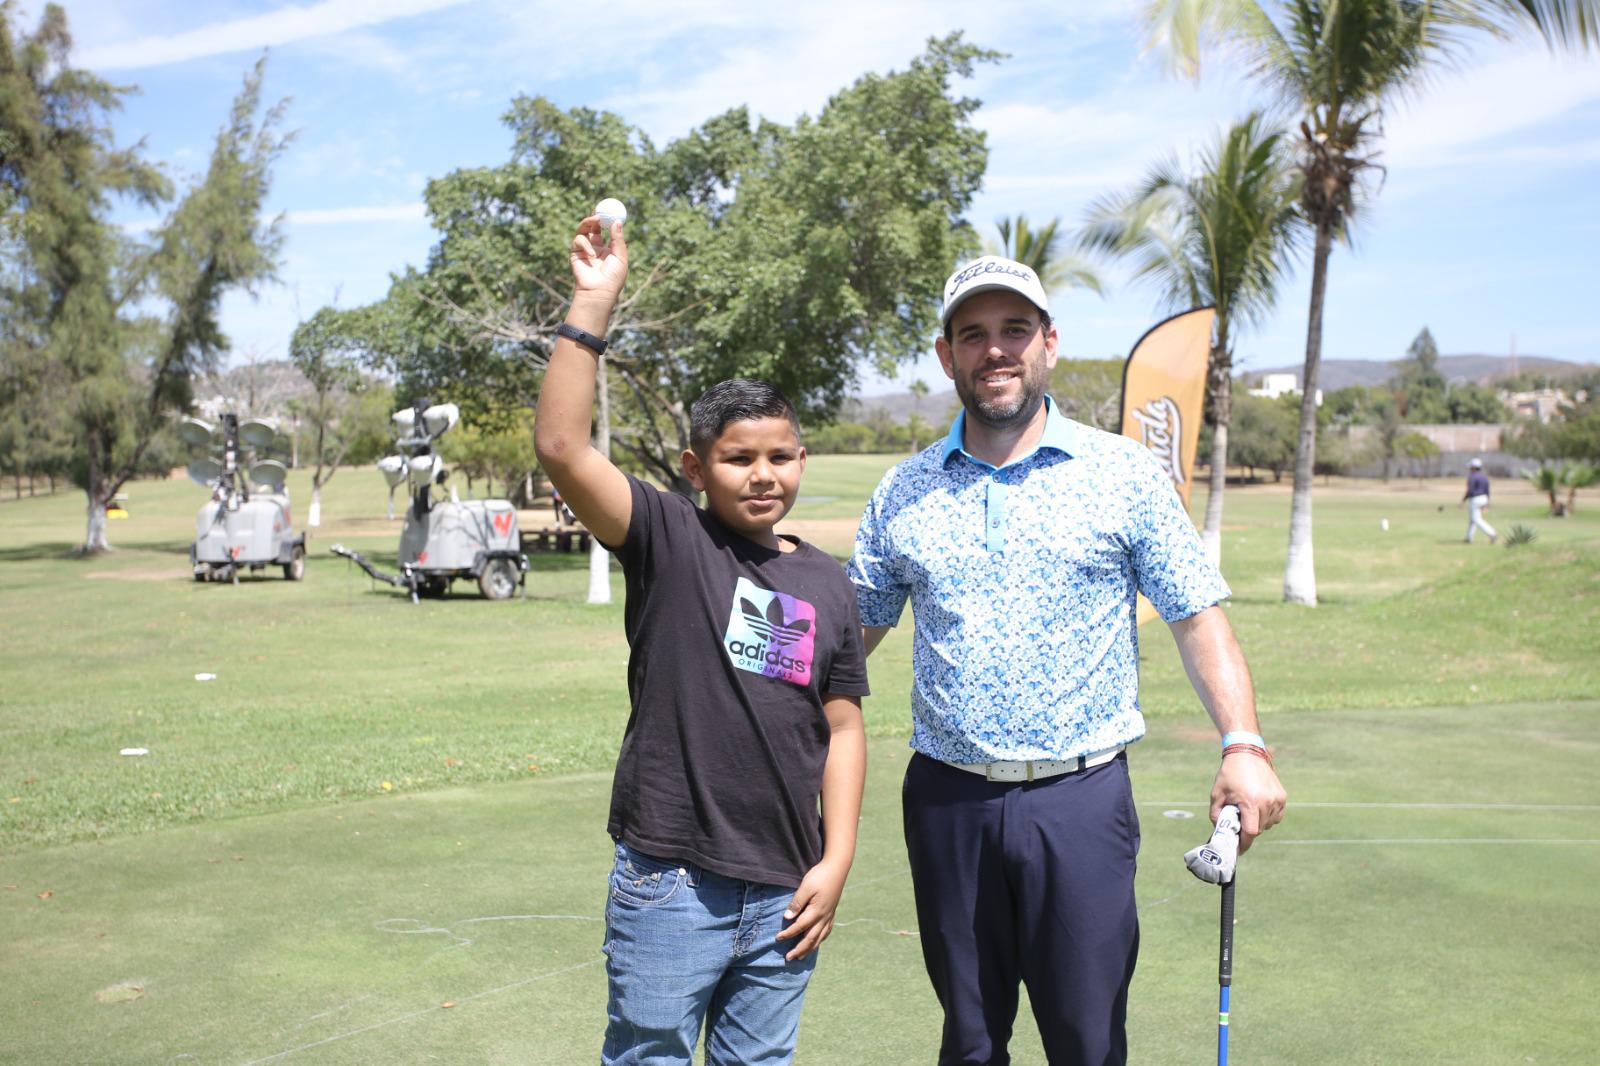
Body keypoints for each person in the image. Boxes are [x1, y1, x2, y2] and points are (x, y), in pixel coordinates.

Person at [847, 255, 1287, 1066]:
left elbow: (1198, 618)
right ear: (947, 356)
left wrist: (1243, 743)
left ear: (1050, 343)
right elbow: (847, 646)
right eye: (973, 334)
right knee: (971, 1044)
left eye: (1015, 329)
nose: (996, 350)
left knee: (1087, 1045)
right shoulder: (904, 490)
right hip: (948, 803)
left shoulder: (1122, 473)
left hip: (1081, 800)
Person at [534, 212, 869, 1066]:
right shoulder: (671, 541)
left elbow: (841, 728)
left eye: (782, 456)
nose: (764, 475)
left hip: (789, 887)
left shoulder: (827, 580)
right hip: (672, 883)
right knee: (648, 1055)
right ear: (694, 469)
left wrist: (836, 862)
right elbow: (564, 447)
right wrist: (593, 301)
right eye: (738, 458)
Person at [1461, 457, 1497, 544]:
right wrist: (1487, 503)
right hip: (1484, 498)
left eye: (1471, 467)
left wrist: (1463, 500)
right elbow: (1487, 490)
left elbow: (1469, 490)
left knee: (1476, 519)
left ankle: (1492, 533)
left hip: (1475, 499)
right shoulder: (1484, 477)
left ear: (1473, 467)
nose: (1469, 469)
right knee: (1472, 519)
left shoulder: (1472, 477)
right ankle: (1469, 538)